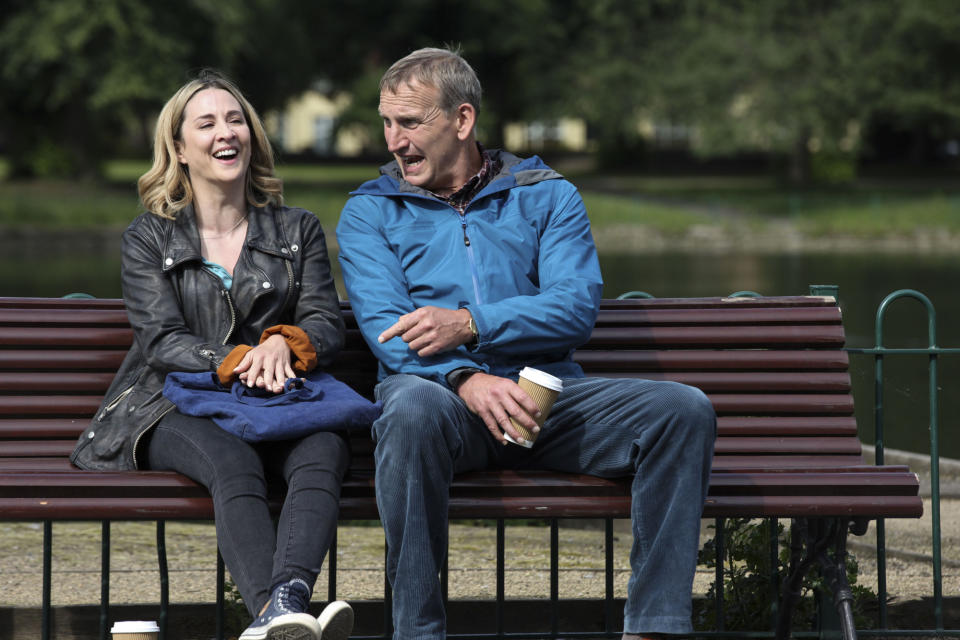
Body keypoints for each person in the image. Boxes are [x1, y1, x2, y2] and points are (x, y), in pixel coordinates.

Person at [336, 47, 717, 639]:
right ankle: (418, 633)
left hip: (550, 404)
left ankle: (654, 628)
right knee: (407, 409)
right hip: (446, 410)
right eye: (386, 122)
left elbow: (573, 307)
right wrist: (466, 377)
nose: (393, 139)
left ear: (462, 121)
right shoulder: (369, 211)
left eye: (410, 122)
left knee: (681, 410)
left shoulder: (546, 193)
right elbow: (388, 327)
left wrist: (471, 323)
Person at [70, 70, 354, 640]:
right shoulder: (150, 237)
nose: (227, 133)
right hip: (171, 405)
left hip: (276, 401)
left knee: (324, 447)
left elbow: (324, 319)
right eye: (207, 123)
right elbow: (161, 340)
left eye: (236, 120)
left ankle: (286, 601)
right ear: (178, 147)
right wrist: (235, 359)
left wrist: (285, 341)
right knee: (231, 461)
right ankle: (276, 614)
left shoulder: (298, 229)